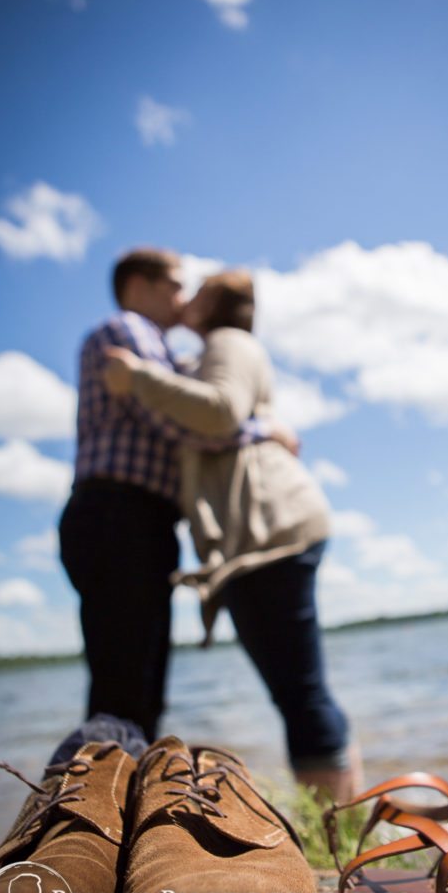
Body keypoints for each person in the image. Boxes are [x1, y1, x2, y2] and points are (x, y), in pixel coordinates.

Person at [104, 270, 359, 801]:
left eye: (195, 290)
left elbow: (219, 413)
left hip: (271, 532)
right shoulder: (215, 352)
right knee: (298, 688)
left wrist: (139, 378)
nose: (184, 298)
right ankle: (341, 823)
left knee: (298, 689)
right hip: (262, 535)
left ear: (215, 303)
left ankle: (336, 832)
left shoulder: (228, 342)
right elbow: (222, 419)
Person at [59, 249, 279, 744]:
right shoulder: (128, 331)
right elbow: (182, 422)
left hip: (132, 518)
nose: (184, 299)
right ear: (140, 284)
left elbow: (184, 394)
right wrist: (262, 431)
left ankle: (115, 807)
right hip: (121, 515)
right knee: (125, 686)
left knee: (136, 684)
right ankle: (92, 811)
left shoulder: (154, 348)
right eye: (177, 285)